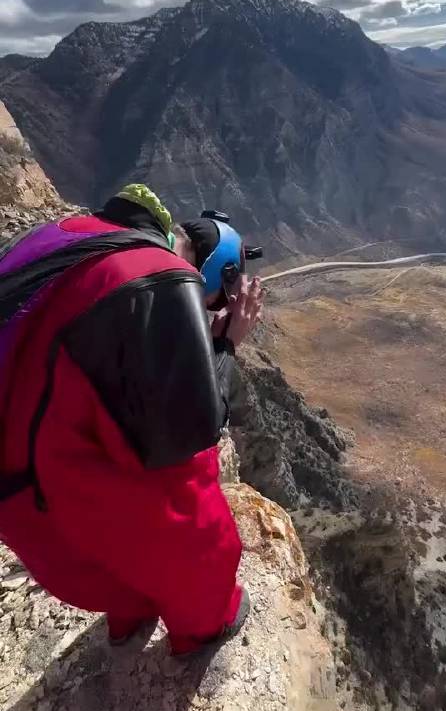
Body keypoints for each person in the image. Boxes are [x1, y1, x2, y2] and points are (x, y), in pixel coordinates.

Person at [0, 184, 263, 654]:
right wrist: (224, 346)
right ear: (212, 277)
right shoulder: (159, 279)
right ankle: (203, 626)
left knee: (106, 459)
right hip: (48, 515)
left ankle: (131, 611)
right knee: (185, 506)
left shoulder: (70, 234)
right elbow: (192, 434)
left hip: (23, 501)